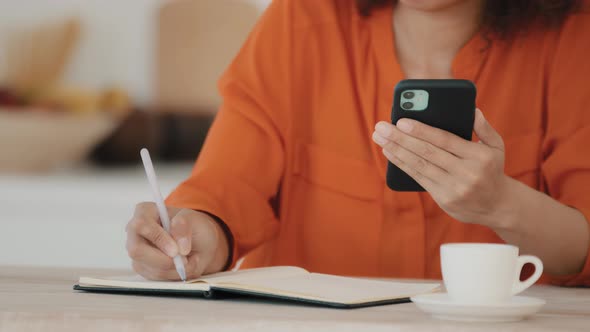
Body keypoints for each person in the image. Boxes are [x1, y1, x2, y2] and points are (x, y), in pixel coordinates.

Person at [125, 0, 590, 285]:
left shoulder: (575, 34)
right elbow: (227, 188)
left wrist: (501, 204)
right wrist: (194, 237)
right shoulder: (300, 19)